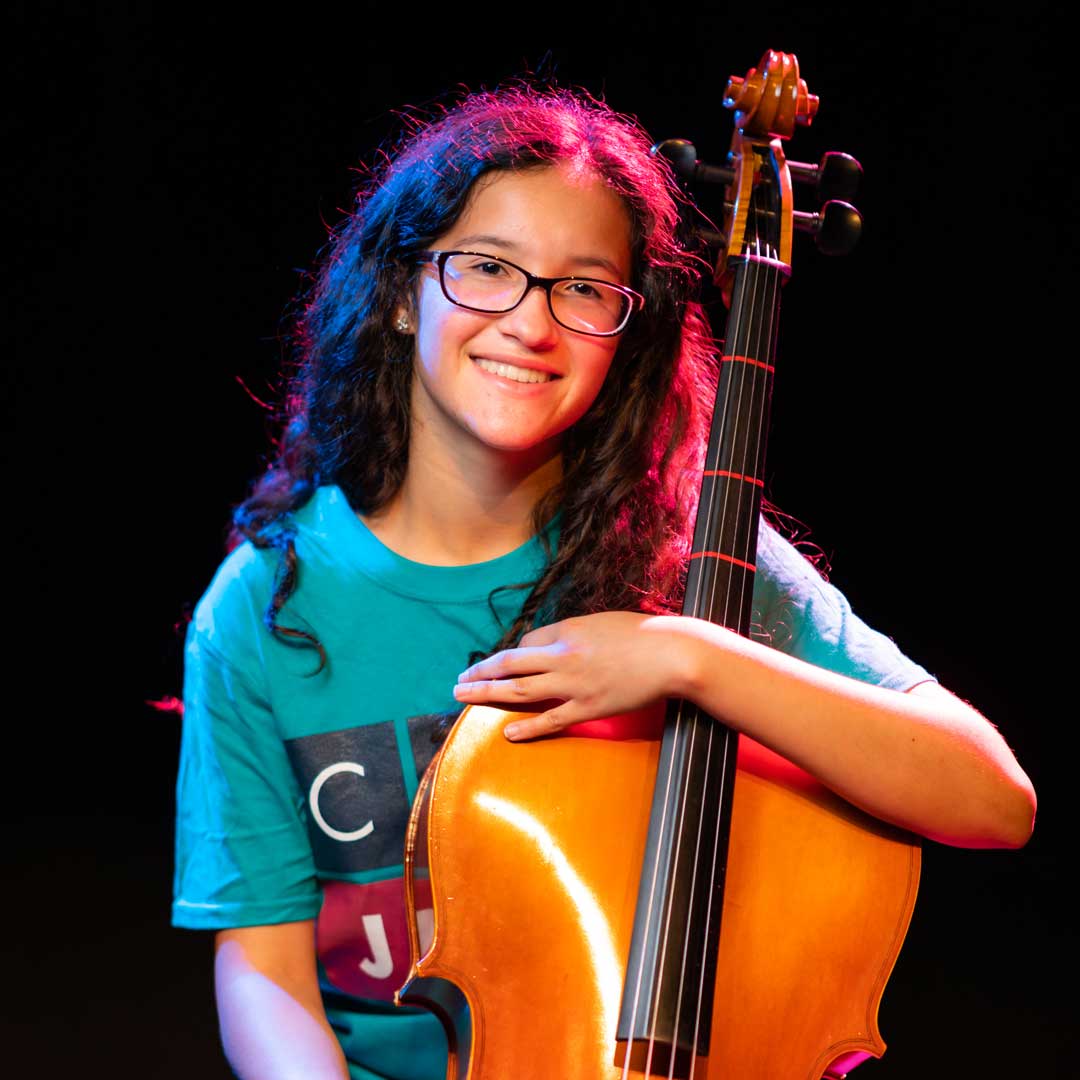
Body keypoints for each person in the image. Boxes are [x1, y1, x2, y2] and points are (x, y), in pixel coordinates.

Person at [173, 85, 1036, 1080]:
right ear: (405, 293)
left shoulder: (691, 556)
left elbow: (991, 798)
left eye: (583, 289)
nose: (531, 323)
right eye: (487, 269)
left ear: (627, 327)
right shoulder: (266, 606)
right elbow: (264, 970)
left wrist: (688, 657)